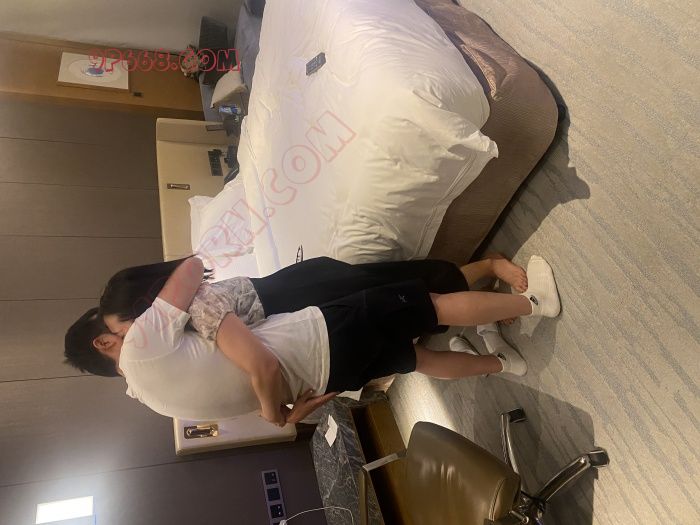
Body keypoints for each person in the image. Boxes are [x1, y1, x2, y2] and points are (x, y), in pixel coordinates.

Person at [65, 255, 558, 425]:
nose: (133, 330)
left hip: (300, 318)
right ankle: (527, 302)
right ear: (105, 345)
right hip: (310, 329)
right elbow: (260, 366)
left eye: (125, 325)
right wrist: (273, 408)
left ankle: (496, 338)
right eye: (121, 331)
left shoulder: (159, 394)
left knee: (414, 335)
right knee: (423, 304)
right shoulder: (170, 332)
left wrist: (276, 412)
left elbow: (258, 387)